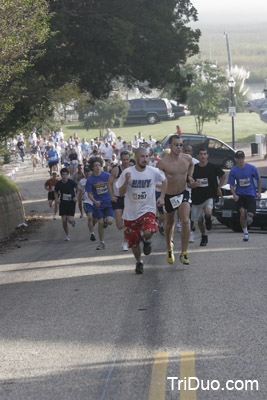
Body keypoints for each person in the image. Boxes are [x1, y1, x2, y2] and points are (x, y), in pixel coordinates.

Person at [116, 148, 167, 274]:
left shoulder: (153, 171)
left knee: (148, 231)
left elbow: (165, 181)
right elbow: (120, 193)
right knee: (134, 243)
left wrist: (161, 197)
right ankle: (139, 262)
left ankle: (147, 240)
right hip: (131, 213)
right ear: (137, 158)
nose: (145, 159)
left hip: (147, 209)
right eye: (142, 157)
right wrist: (127, 182)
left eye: (147, 156)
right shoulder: (127, 172)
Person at [157, 134, 194, 265]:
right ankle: (169, 248)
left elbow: (191, 166)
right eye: (176, 145)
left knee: (185, 221)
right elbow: (156, 181)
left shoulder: (187, 158)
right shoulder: (163, 162)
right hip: (169, 196)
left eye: (180, 145)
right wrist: (164, 182)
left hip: (183, 193)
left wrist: (189, 176)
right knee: (169, 224)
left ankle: (184, 253)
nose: (179, 147)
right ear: (170, 146)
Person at [191, 147, 226, 246]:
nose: (203, 156)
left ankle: (208, 218)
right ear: (198, 156)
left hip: (209, 194)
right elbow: (189, 182)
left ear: (207, 155)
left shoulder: (213, 167)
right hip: (197, 197)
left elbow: (223, 175)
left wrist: (219, 188)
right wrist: (193, 185)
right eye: (201, 154)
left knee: (208, 211)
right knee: (199, 221)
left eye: (204, 154)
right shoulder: (194, 168)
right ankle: (204, 236)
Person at [228, 150, 261, 241]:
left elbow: (258, 178)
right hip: (240, 194)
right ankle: (245, 232)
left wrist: (259, 192)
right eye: (238, 158)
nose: (240, 160)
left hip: (250, 194)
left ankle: (249, 216)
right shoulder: (233, 170)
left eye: (242, 158)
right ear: (236, 159)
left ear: (244, 158)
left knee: (250, 214)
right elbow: (231, 185)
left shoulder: (251, 168)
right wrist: (234, 194)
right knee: (242, 213)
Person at [85, 157, 114, 250]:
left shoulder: (107, 176)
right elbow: (89, 194)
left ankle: (106, 220)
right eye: (95, 166)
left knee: (110, 221)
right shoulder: (90, 180)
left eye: (99, 165)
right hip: (98, 204)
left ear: (101, 166)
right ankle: (102, 242)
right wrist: (95, 201)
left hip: (108, 202)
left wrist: (113, 196)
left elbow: (113, 186)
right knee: (100, 223)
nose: (97, 167)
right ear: (92, 168)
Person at [107, 151, 130, 251]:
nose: (125, 161)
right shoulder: (116, 170)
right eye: (123, 159)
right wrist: (112, 196)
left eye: (127, 159)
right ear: (121, 160)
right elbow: (109, 184)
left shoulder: (132, 169)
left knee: (127, 221)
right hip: (117, 198)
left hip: (128, 198)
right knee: (120, 225)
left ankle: (125, 242)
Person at [54, 168, 78, 241]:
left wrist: (76, 197)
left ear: (68, 175)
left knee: (69, 220)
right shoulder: (58, 183)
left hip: (71, 203)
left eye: (66, 175)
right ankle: (67, 235)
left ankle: (73, 221)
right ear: (61, 175)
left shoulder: (71, 182)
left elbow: (78, 189)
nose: (64, 176)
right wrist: (57, 199)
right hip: (63, 203)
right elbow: (55, 192)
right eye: (63, 175)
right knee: (64, 220)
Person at [78, 166, 96, 241]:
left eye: (89, 172)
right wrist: (81, 195)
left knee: (95, 219)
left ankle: (92, 224)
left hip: (95, 201)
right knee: (89, 217)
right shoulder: (82, 181)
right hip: (87, 201)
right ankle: (92, 233)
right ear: (84, 173)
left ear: (91, 172)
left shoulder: (95, 179)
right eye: (86, 172)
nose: (87, 173)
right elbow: (80, 190)